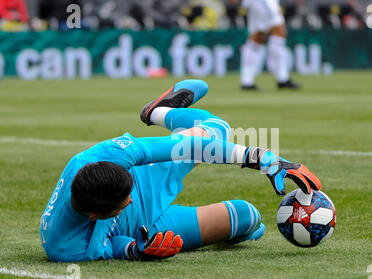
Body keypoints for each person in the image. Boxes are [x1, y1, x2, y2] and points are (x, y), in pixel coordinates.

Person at [39, 79, 321, 262]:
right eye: (123, 202)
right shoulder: (65, 248)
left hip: (146, 175)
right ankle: (245, 230)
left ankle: (157, 112)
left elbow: (188, 146)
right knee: (247, 217)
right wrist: (138, 250)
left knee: (217, 132)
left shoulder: (108, 156)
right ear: (94, 215)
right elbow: (109, 248)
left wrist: (260, 158)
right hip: (146, 229)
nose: (130, 200)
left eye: (127, 193)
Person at [234, 0, 300, 90]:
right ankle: (282, 78)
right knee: (279, 31)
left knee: (257, 37)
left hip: (256, 3)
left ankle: (247, 81)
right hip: (264, 2)